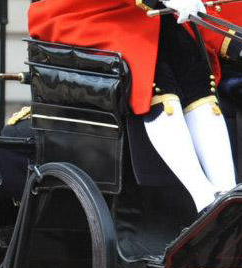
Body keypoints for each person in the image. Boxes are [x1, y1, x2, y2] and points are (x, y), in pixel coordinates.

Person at [28, 0, 239, 212]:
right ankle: (202, 195)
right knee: (153, 76)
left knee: (197, 76)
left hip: (142, 12)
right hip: (84, 11)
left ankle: (227, 193)